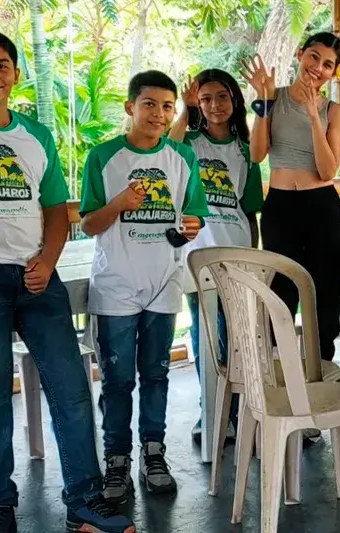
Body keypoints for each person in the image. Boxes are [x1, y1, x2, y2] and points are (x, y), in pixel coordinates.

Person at [0, 29, 134, 533]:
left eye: (0, 65)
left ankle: (85, 497)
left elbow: (55, 207)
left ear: (14, 74)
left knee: (71, 385)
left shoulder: (37, 134)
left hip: (36, 273)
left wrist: (48, 259)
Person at [79, 71, 208, 504]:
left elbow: (194, 216)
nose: (159, 114)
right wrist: (119, 204)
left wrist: (192, 225)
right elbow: (89, 223)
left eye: (167, 106)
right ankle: (116, 460)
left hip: (163, 284)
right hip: (115, 284)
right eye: (150, 104)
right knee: (117, 379)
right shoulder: (103, 157)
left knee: (156, 373)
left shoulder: (182, 158)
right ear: (130, 107)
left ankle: (154, 452)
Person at [244, 33, 340, 367]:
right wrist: (263, 102)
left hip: (321, 207)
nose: (318, 68)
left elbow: (327, 170)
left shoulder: (335, 111)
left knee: (325, 291)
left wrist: (313, 115)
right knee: (281, 288)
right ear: (300, 54)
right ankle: (280, 373)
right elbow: (258, 154)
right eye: (314, 57)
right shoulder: (272, 98)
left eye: (328, 65)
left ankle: (322, 371)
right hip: (279, 208)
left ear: (333, 73)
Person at [169, 68, 262, 440]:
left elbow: (249, 204)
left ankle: (238, 412)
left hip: (236, 249)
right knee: (205, 337)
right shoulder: (190, 142)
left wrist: (254, 256)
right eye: (205, 99)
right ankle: (210, 411)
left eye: (221, 97)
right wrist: (185, 110)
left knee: (235, 335)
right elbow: (168, 152)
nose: (214, 105)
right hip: (198, 253)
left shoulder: (246, 146)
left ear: (234, 100)